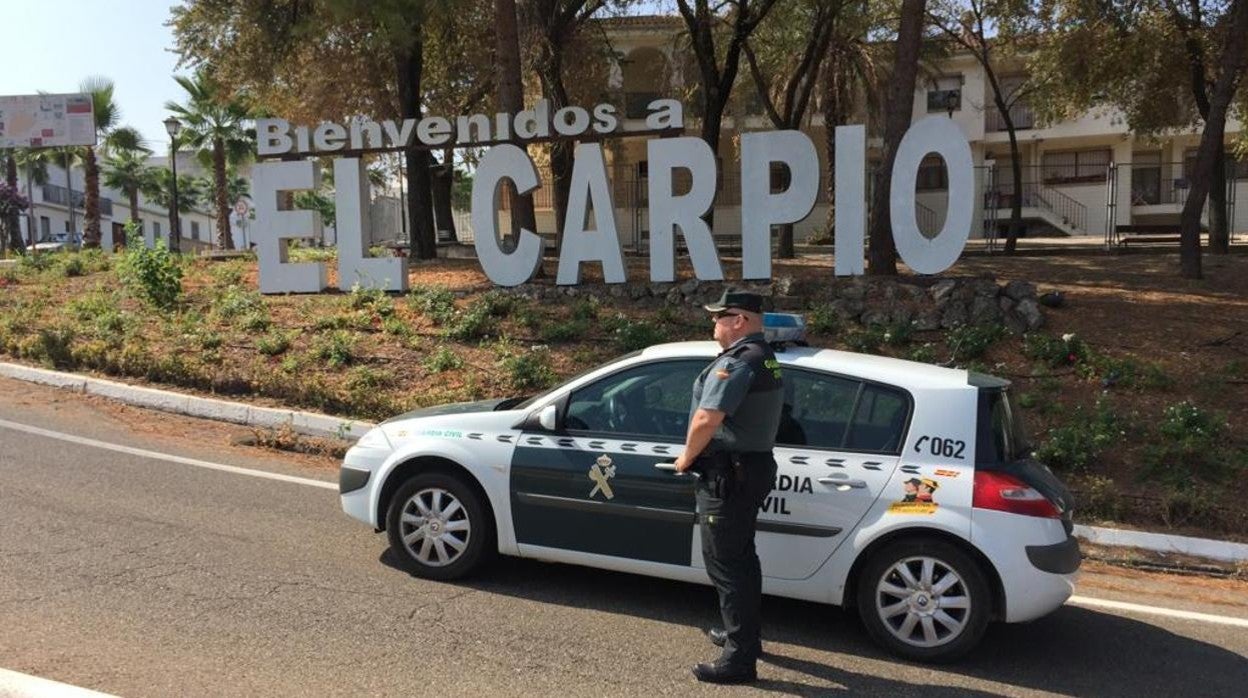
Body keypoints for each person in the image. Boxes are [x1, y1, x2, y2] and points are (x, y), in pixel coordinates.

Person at [673, 289, 783, 685]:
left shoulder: (739, 362)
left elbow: (707, 419)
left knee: (727, 564)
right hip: (748, 470)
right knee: (741, 559)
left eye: (720, 316)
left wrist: (686, 458)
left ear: (740, 321)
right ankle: (744, 636)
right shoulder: (765, 359)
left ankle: (739, 660)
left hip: (729, 474)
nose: (714, 323)